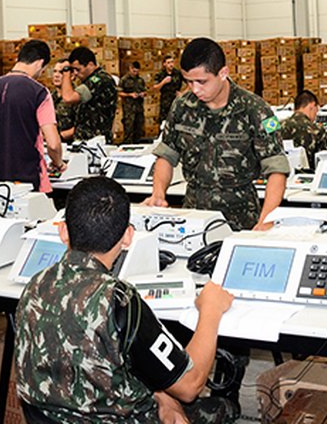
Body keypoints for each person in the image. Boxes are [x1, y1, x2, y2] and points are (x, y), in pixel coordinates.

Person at [15, 176, 237, 423]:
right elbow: (190, 385)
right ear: (128, 236)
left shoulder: (34, 286)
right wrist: (211, 310)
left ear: (63, 231)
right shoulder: (119, 301)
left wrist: (162, 397)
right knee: (223, 407)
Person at [145, 37, 291, 231]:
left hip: (242, 220)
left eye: (202, 81)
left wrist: (266, 220)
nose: (195, 89)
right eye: (189, 82)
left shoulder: (258, 110)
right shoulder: (181, 107)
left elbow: (277, 168)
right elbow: (166, 154)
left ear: (223, 73)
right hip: (193, 220)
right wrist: (158, 193)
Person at [0, 39, 65, 193]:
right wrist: (58, 163)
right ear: (39, 63)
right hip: (31, 181)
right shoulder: (39, 92)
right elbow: (53, 143)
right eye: (43, 69)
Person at [60, 46, 118, 142]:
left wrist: (66, 73)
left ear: (90, 65)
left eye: (78, 69)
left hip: (95, 142)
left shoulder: (99, 80)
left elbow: (68, 98)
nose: (75, 73)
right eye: (72, 70)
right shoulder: (88, 81)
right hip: (85, 141)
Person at [281, 90, 327, 170]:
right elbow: (322, 162)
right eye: (316, 110)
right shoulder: (317, 130)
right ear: (312, 105)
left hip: (279, 175)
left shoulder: (276, 125)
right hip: (308, 178)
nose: (315, 115)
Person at [119, 61, 146, 143]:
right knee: (129, 130)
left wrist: (142, 94)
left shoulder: (140, 80)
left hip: (139, 108)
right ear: (130, 68)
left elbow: (145, 91)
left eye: (137, 71)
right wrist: (129, 95)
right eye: (134, 71)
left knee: (139, 130)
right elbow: (119, 93)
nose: (135, 73)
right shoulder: (124, 80)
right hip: (129, 109)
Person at [50, 58, 76, 141]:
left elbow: (83, 127)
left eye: (61, 72)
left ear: (71, 76)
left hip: (72, 146)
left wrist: (60, 136)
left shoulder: (76, 96)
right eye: (55, 71)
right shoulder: (49, 97)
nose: (56, 75)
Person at [153, 54, 184, 123]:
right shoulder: (160, 74)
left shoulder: (178, 73)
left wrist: (183, 93)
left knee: (176, 122)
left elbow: (190, 83)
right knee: (163, 123)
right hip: (165, 103)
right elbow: (155, 88)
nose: (171, 64)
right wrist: (163, 82)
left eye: (172, 62)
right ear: (164, 64)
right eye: (168, 63)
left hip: (176, 101)